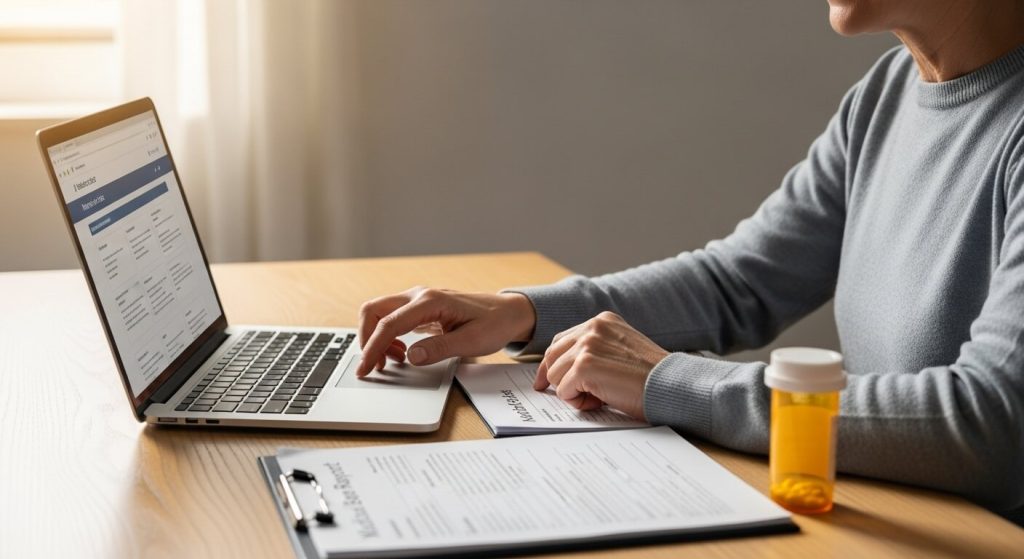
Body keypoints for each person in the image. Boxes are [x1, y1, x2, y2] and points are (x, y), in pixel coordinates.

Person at [356, 0, 1024, 522]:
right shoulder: (886, 96)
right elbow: (738, 282)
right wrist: (524, 312)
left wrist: (674, 381)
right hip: (900, 517)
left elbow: (993, 423)